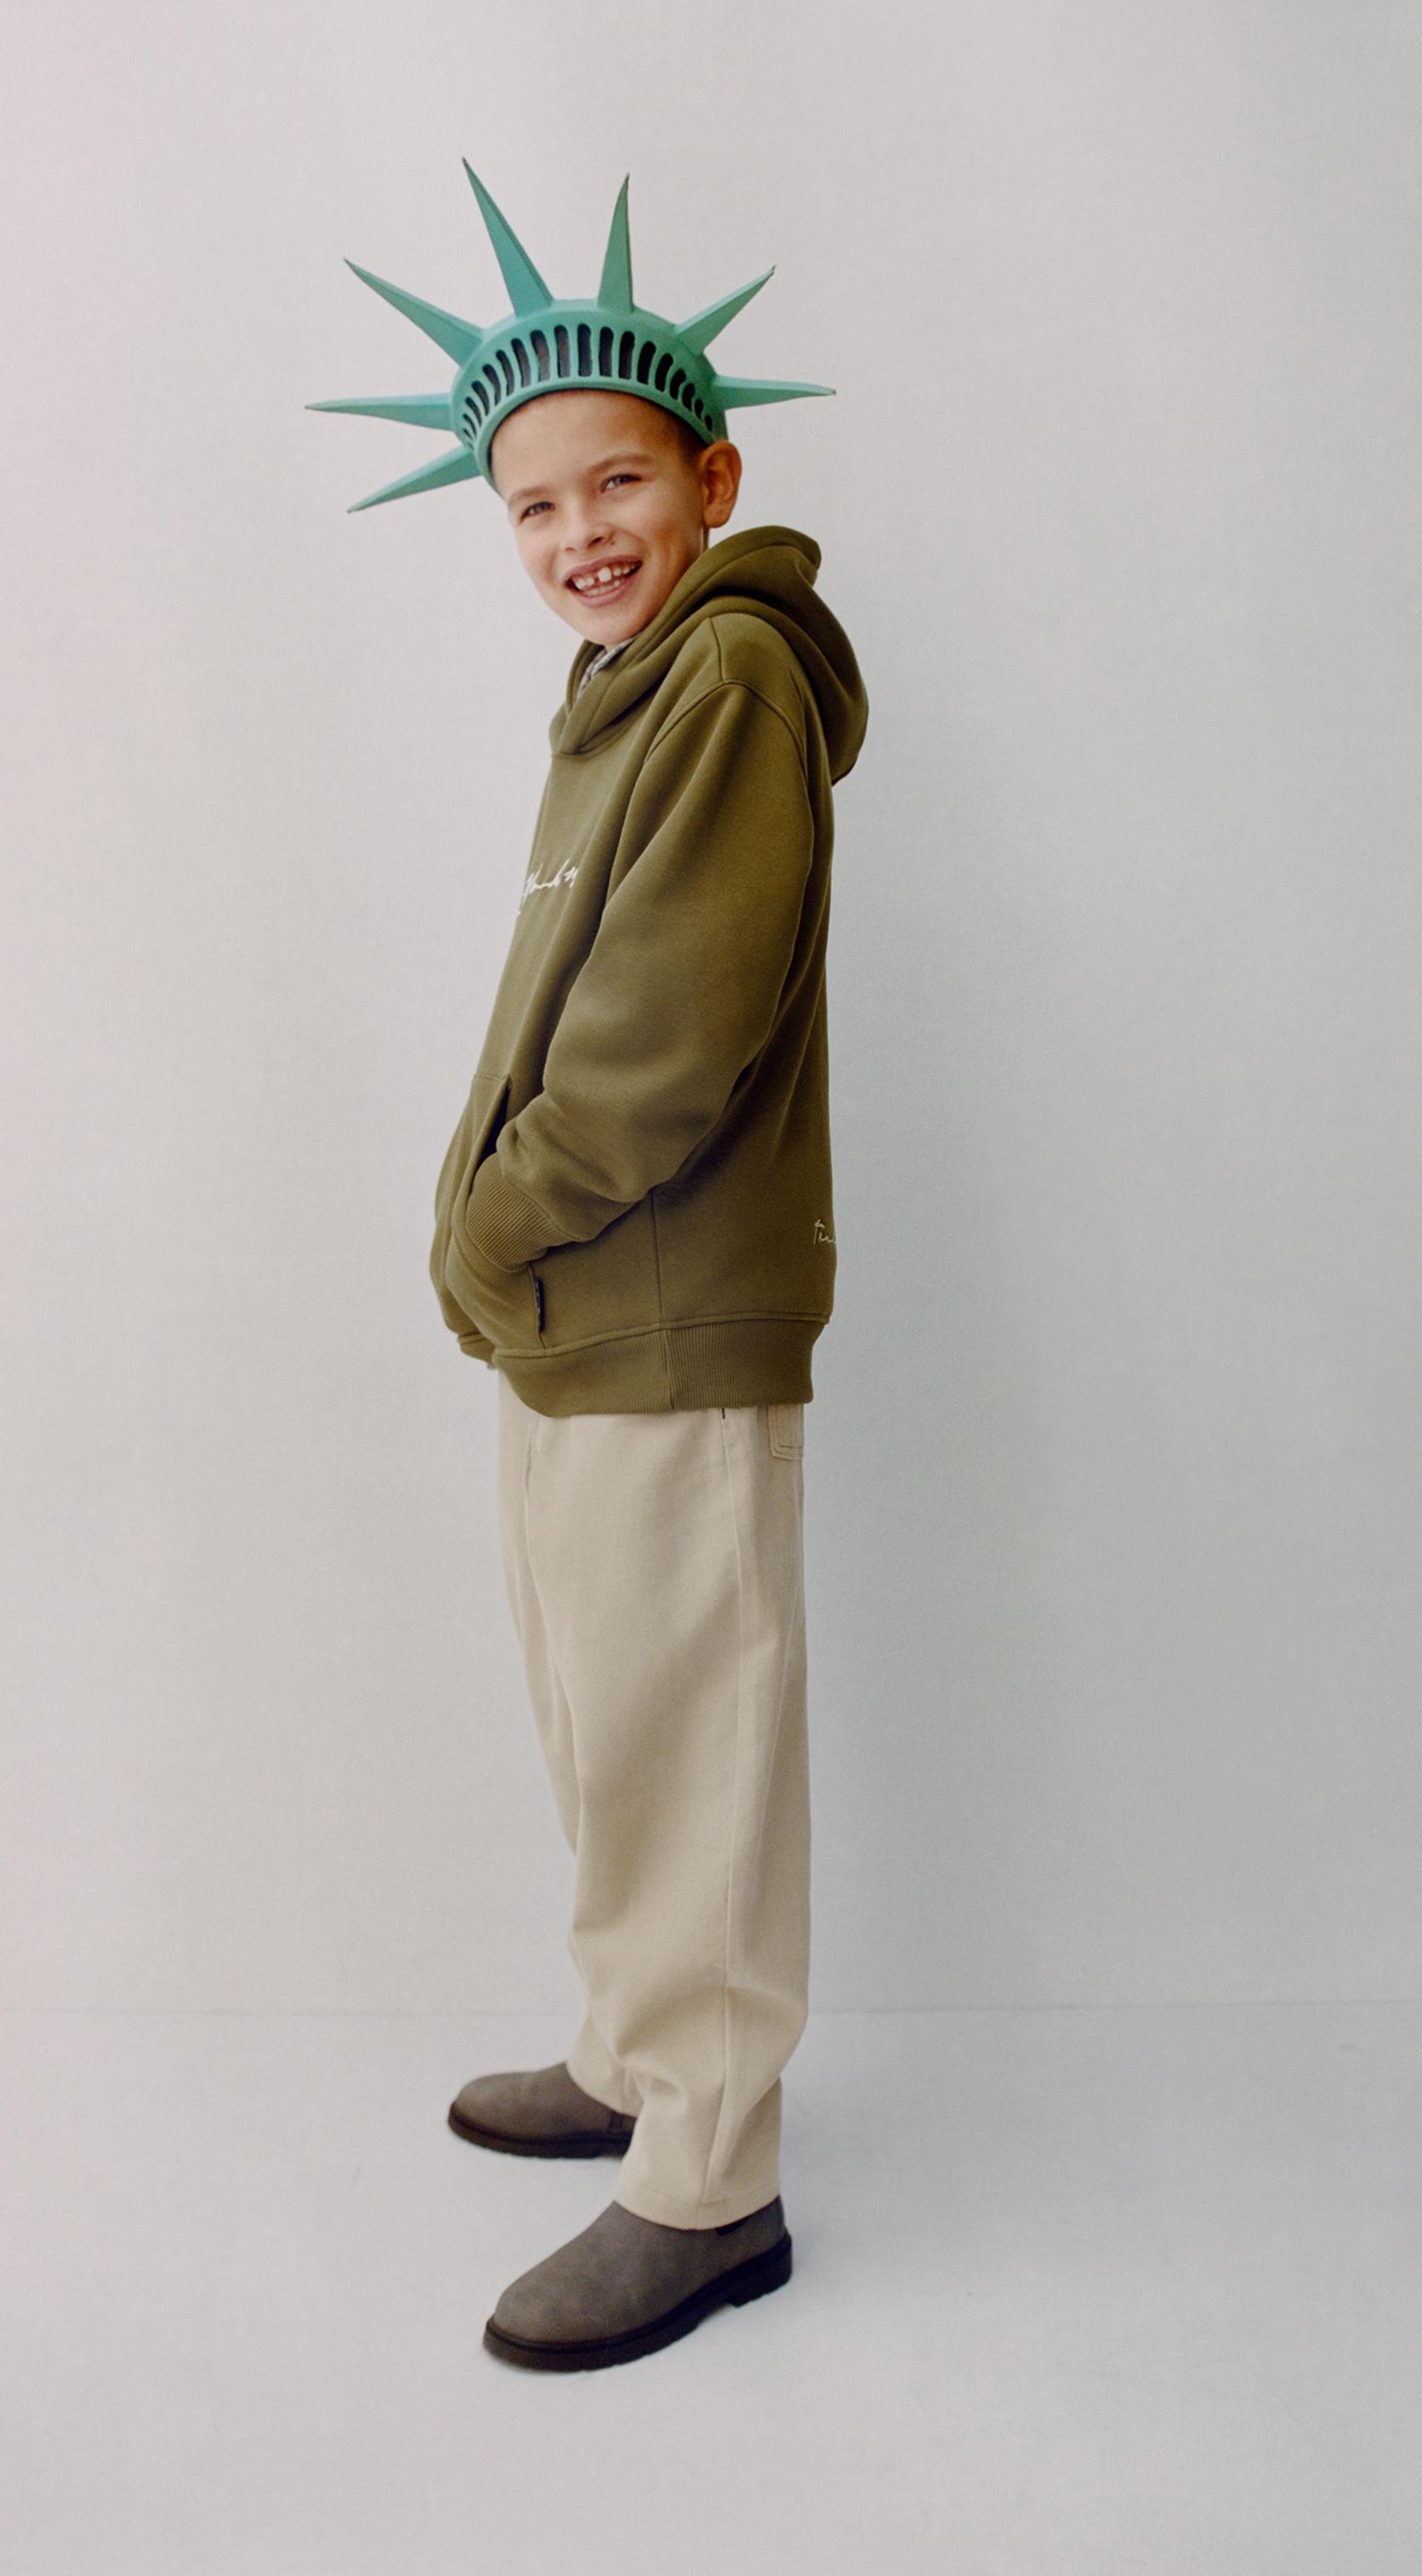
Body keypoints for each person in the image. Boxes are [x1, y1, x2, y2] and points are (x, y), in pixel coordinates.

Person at [310, 163, 868, 2372]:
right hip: (570, 1321)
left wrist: (491, 1212)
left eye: (617, 481)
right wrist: (500, 1249)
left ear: (712, 477)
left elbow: (662, 1032)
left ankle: (711, 2182)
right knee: (607, 1714)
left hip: (658, 1308)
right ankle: (641, 2052)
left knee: (690, 1732)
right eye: (533, 505)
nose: (577, 532)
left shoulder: (727, 673)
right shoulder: (622, 686)